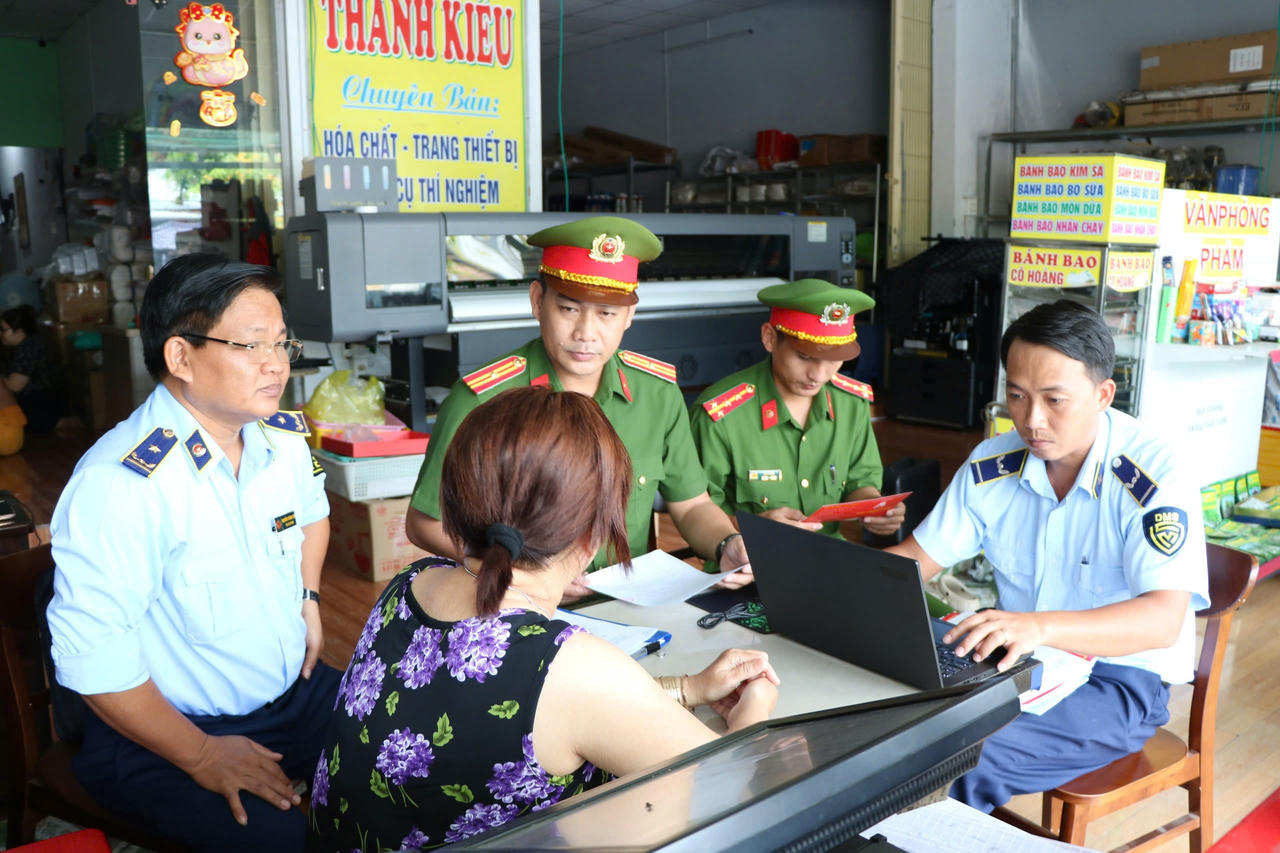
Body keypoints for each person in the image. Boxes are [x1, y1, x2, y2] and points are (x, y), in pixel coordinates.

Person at [309, 386, 779, 851]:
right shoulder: (569, 667)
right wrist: (755, 705)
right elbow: (726, 785)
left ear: (456, 510)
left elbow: (506, 712)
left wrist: (688, 690)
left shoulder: (412, 583)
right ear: (590, 541)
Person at [46, 254, 340, 852]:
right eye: (252, 346)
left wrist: (307, 595)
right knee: (282, 840)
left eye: (283, 344)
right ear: (181, 357)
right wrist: (203, 755)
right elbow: (93, 663)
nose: (276, 365)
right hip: (166, 731)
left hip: (291, 694)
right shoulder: (124, 482)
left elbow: (313, 515)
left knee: (414, 751)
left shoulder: (280, 436)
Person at [888, 299, 1209, 812]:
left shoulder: (1152, 475)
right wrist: (809, 578)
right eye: (1017, 396)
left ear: (1104, 394)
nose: (1031, 420)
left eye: (1054, 400)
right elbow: (912, 562)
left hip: (1118, 681)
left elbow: (1162, 621)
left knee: (960, 757)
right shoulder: (993, 464)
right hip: (1016, 661)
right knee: (875, 726)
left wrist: (1037, 627)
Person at [406, 216, 752, 598]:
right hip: (518, 606)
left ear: (629, 316)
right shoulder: (484, 399)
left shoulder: (657, 394)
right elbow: (423, 523)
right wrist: (526, 574)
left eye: (607, 314)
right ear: (538, 302)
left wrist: (726, 543)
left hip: (629, 607)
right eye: (569, 309)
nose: (586, 333)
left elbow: (691, 505)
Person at [690, 278, 904, 544]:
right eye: (804, 356)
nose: (818, 374)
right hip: (748, 564)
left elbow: (860, 480)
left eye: (834, 358)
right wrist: (752, 527)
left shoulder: (851, 403)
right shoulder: (721, 415)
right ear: (769, 338)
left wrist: (875, 509)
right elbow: (696, 510)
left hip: (829, 558)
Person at [1, 304, 61, 431]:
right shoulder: (25, 346)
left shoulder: (28, 348)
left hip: (40, 402)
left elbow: (15, 385)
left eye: (3, 330)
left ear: (19, 331)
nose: (1, 334)